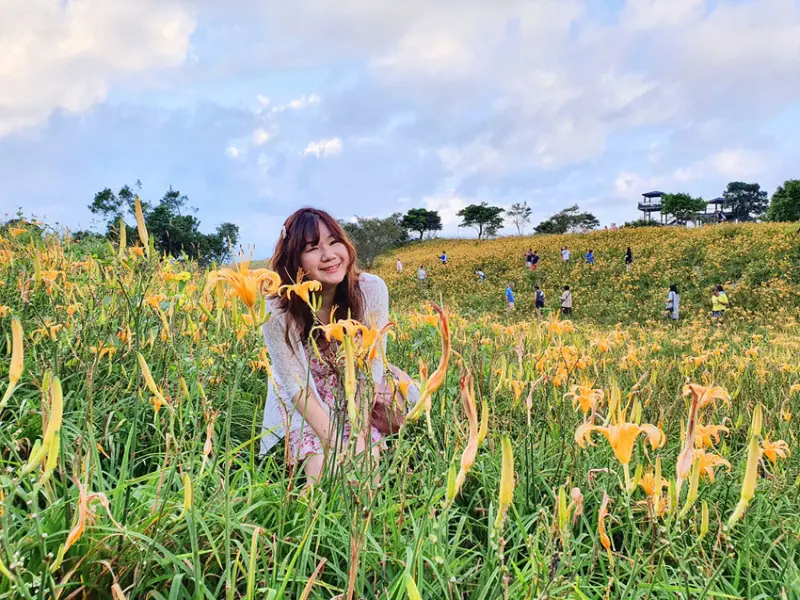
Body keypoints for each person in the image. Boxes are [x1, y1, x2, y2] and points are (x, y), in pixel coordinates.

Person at [260, 208, 419, 483]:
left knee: (368, 461)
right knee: (323, 467)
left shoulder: (371, 289)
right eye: (313, 248)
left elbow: (373, 364)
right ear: (294, 259)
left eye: (334, 242)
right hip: (308, 395)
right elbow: (296, 387)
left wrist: (358, 434)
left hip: (359, 386)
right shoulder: (277, 310)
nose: (329, 255)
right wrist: (336, 443)